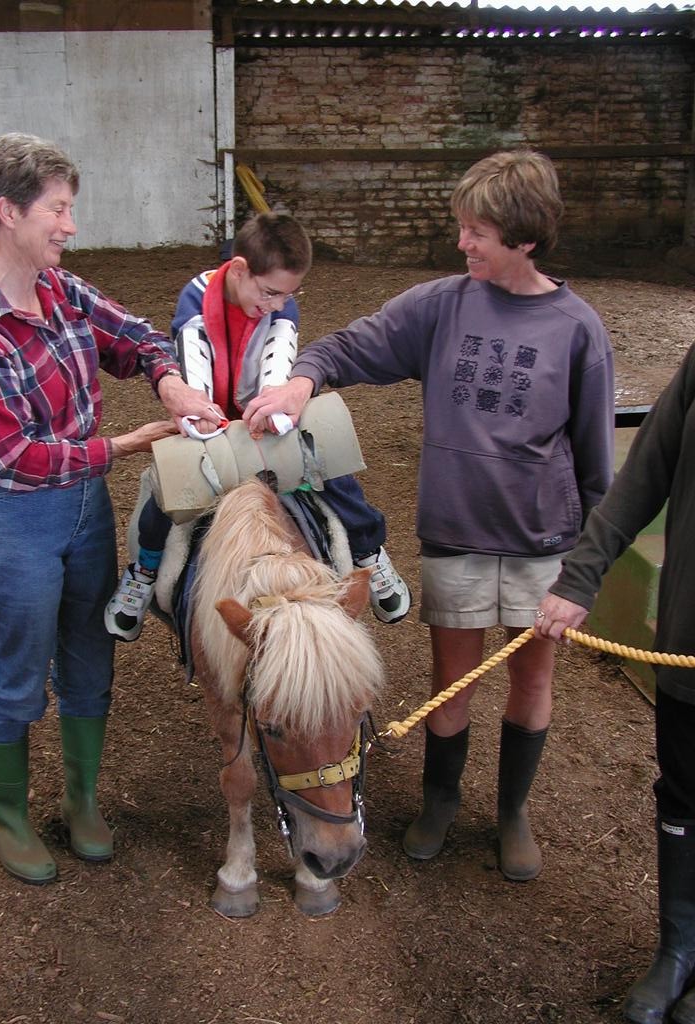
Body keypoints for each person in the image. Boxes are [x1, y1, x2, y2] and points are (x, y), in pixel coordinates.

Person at [242, 149, 615, 881]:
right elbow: (353, 343)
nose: (463, 242)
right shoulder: (443, 304)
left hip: (544, 544)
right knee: (454, 682)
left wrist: (585, 570)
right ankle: (440, 802)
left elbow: (598, 463)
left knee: (531, 683)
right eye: (463, 227)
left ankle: (511, 813)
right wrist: (301, 381)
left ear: (524, 239)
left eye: (476, 231)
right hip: (457, 535)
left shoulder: (577, 329)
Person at [0, 132, 198, 885]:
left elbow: (134, 336)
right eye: (58, 209)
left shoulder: (58, 289)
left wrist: (169, 380)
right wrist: (126, 444)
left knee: (89, 651)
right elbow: (12, 457)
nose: (69, 225)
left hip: (81, 506)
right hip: (15, 514)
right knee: (18, 668)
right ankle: (7, 815)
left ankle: (81, 799)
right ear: (9, 212)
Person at [103, 210, 410, 642]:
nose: (277, 304)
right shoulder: (197, 296)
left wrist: (271, 414)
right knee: (165, 487)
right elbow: (194, 366)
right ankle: (144, 569)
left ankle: (368, 551)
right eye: (269, 293)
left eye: (287, 295)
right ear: (240, 269)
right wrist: (207, 420)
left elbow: (279, 364)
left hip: (264, 414)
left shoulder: (282, 304)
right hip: (208, 416)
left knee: (333, 473)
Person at [534, 346, 695, 1023]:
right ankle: (679, 950)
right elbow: (645, 472)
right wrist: (580, 577)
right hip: (688, 637)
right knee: (684, 790)